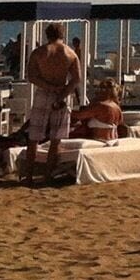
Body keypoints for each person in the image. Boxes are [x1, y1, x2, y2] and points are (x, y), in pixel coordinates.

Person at [22, 22, 82, 185]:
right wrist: (62, 93)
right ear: (62, 35)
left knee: (34, 137)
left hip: (43, 92)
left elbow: (32, 76)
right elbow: (77, 79)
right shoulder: (70, 53)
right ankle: (47, 176)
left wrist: (49, 87)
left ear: (47, 35)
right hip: (62, 93)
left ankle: (28, 176)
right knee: (56, 138)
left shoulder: (39, 52)